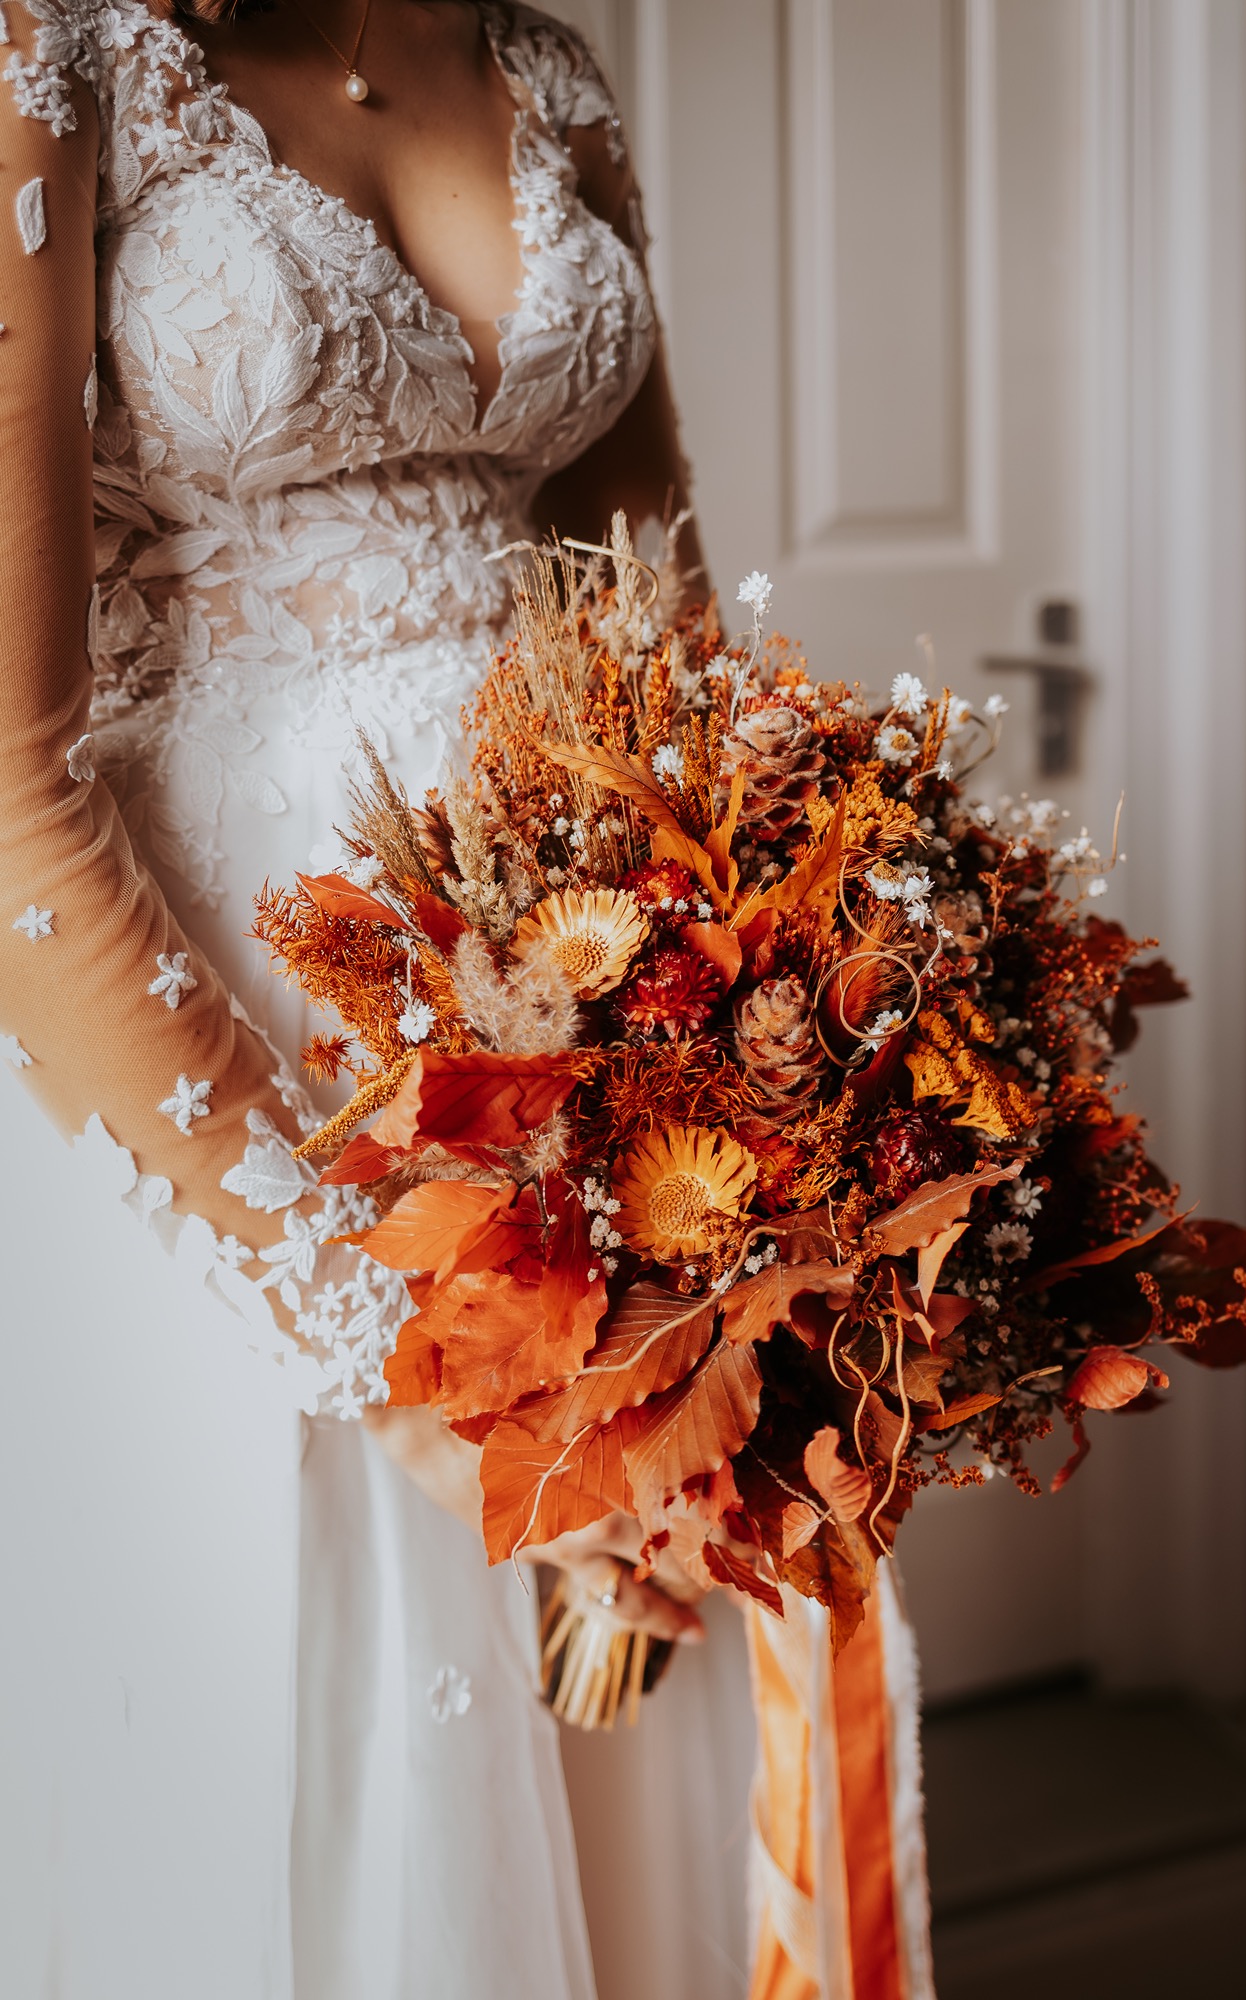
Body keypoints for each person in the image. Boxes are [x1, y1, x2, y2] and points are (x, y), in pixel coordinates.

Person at [0, 3, 725, 1993]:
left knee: (606, 1752)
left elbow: (667, 655)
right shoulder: (46, 62)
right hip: (238, 1100)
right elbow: (6, 784)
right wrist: (384, 1341)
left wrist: (745, 1101)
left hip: (580, 1069)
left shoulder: (545, 61)